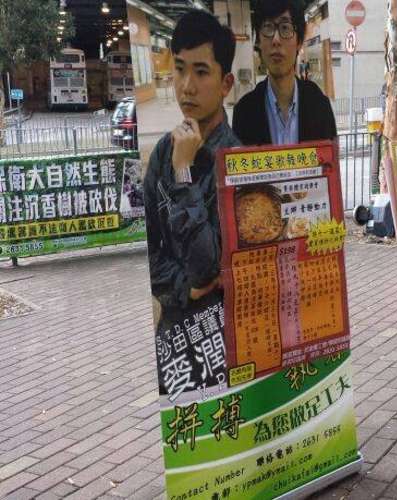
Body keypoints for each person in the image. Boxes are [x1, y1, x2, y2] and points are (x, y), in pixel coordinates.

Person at [143, 10, 239, 397]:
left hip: (223, 337)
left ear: (225, 83)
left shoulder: (236, 161)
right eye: (180, 69)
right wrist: (185, 286)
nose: (186, 87)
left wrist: (183, 174)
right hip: (173, 338)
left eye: (201, 72)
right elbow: (149, 251)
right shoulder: (162, 152)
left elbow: (206, 268)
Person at [233, 0, 336, 146]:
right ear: (259, 42)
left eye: (285, 28)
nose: (276, 40)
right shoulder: (244, 113)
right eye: (268, 27)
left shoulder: (320, 106)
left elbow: (330, 159)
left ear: (299, 42)